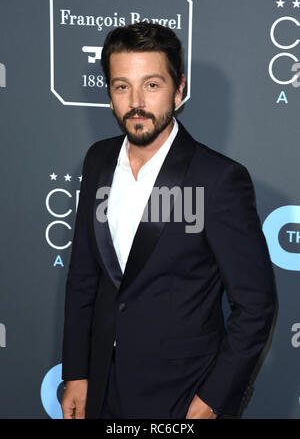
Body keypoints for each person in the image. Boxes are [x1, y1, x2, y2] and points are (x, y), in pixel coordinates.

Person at [61, 22, 277, 419]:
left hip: (182, 396)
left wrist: (211, 401)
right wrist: (76, 373)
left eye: (152, 85)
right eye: (122, 86)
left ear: (179, 90)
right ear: (109, 94)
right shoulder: (97, 160)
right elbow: (83, 277)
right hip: (102, 388)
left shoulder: (217, 179)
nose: (136, 101)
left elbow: (256, 306)